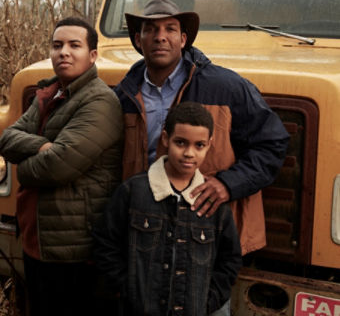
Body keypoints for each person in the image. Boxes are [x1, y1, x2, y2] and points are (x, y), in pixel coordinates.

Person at [115, 0, 289, 258]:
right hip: (146, 233)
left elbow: (272, 143)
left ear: (183, 40)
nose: (160, 37)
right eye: (150, 30)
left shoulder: (227, 87)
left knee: (210, 299)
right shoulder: (124, 95)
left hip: (209, 235)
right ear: (139, 41)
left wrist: (228, 184)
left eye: (170, 29)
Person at [0, 16, 123, 316]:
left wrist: (22, 170)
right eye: (57, 45)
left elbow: (57, 167)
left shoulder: (100, 102)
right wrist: (42, 147)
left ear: (92, 55)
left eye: (74, 45)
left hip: (73, 248)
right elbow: (7, 138)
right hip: (40, 239)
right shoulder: (50, 93)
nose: (63, 52)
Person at [93, 101, 242, 316]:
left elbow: (230, 260)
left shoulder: (213, 204)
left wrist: (207, 301)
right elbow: (105, 242)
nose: (189, 153)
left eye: (199, 145)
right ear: (165, 139)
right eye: (180, 143)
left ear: (209, 145)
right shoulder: (134, 191)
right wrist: (126, 290)